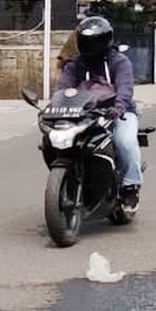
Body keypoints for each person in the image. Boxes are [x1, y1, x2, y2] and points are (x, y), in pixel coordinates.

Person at [57, 16, 143, 199]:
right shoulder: (74, 64)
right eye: (87, 41)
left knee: (125, 141)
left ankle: (130, 186)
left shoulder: (119, 62)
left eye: (95, 41)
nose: (91, 45)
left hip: (118, 112)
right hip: (85, 113)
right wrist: (56, 107)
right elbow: (63, 89)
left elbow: (125, 88)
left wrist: (119, 107)